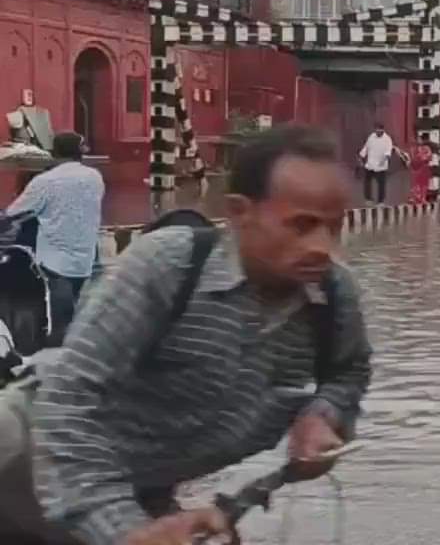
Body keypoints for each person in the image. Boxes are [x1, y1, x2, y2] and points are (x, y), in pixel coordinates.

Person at [0, 125, 372, 545]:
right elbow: (69, 406)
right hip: (28, 455)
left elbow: (349, 371)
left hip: (135, 485)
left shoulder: (333, 296)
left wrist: (322, 416)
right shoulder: (170, 266)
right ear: (239, 212)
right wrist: (127, 532)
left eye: (333, 227)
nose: (323, 246)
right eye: (301, 226)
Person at [2, 132, 103, 346]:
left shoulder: (45, 182)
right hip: (87, 259)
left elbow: (14, 213)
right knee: (82, 318)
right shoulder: (95, 177)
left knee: (59, 323)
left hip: (56, 263)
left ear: (54, 153)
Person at [358, 124, 399, 206]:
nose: (378, 132)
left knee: (381, 184)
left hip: (381, 165)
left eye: (379, 131)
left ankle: (381, 201)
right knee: (367, 182)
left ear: (383, 130)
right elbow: (366, 147)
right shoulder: (371, 137)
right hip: (370, 164)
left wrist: (384, 160)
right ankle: (368, 199)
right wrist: (361, 156)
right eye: (376, 130)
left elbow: (388, 152)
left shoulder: (387, 139)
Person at [406, 133, 434, 207]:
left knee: (424, 184)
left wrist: (422, 158)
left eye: (420, 139)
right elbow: (410, 159)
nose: (418, 141)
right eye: (417, 139)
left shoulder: (427, 148)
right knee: (415, 184)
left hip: (424, 168)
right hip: (415, 169)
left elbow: (429, 157)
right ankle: (414, 198)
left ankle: (423, 198)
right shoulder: (413, 149)